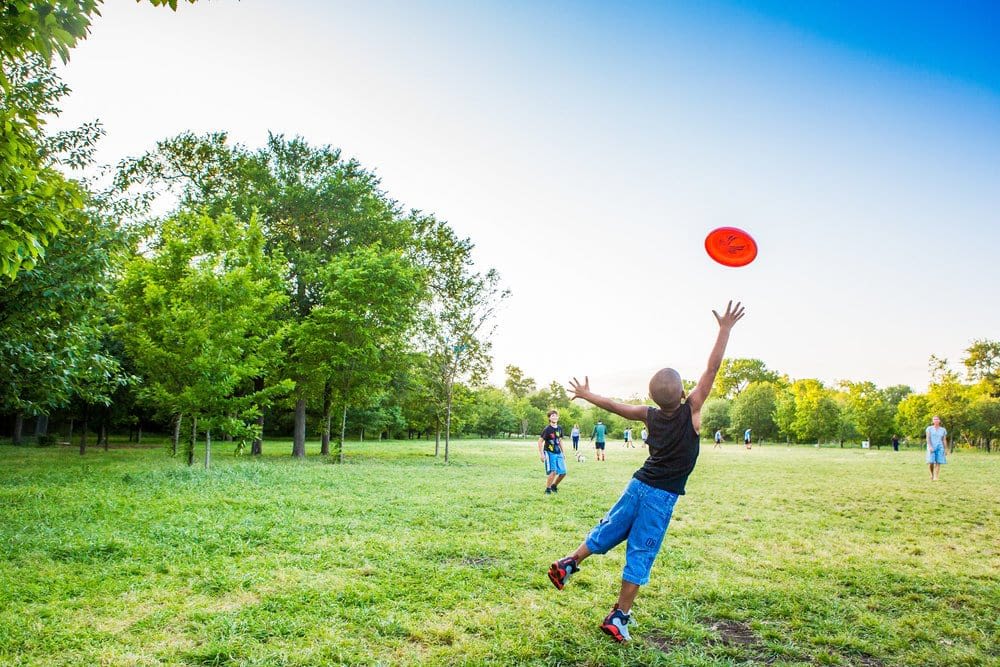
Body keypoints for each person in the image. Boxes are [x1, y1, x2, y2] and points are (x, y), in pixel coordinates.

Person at [547, 300, 745, 643]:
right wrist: (724, 329)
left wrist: (588, 394)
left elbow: (615, 406)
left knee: (610, 528)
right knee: (641, 551)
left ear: (652, 398)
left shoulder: (648, 415)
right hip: (660, 497)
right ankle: (619, 616)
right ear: (685, 394)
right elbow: (711, 371)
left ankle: (569, 562)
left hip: (637, 485)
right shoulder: (692, 411)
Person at [538, 410, 566, 494]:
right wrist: (542, 454)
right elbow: (540, 441)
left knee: (563, 472)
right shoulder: (547, 429)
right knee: (553, 472)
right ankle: (548, 489)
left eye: (556, 415)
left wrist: (563, 452)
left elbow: (560, 440)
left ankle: (554, 486)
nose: (555, 417)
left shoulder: (559, 428)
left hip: (558, 452)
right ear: (549, 418)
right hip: (550, 453)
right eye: (553, 415)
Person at [925, 416, 947, 481]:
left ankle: (936, 476)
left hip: (940, 446)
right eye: (934, 419)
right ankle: (932, 474)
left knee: (938, 462)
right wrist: (930, 446)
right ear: (933, 421)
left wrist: (945, 449)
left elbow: (944, 440)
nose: (936, 420)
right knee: (931, 462)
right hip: (931, 446)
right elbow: (928, 438)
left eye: (937, 419)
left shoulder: (943, 430)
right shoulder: (929, 428)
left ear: (939, 420)